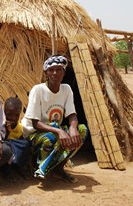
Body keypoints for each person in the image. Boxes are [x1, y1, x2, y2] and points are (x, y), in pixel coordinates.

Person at [21, 55, 89, 183]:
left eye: (59, 70)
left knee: (82, 130)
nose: (55, 73)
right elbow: (35, 123)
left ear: (64, 73)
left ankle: (58, 168)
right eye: (51, 70)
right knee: (50, 138)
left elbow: (72, 115)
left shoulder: (66, 89)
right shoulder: (38, 90)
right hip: (34, 133)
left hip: (53, 129)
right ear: (46, 72)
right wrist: (59, 131)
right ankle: (38, 165)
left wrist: (73, 128)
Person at [2, 97, 32, 181]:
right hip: (4, 155)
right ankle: (6, 171)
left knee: (25, 144)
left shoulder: (20, 128)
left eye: (16, 115)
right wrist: (7, 130)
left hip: (15, 155)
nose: (13, 118)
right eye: (9, 114)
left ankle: (20, 167)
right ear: (4, 113)